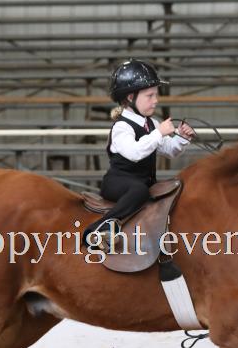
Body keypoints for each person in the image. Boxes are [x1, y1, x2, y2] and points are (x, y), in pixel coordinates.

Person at [83, 59, 194, 249]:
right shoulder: (122, 127)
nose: (155, 100)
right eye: (150, 96)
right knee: (139, 191)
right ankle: (100, 229)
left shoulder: (152, 123)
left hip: (142, 183)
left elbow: (169, 150)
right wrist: (159, 133)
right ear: (130, 97)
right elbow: (134, 152)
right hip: (118, 184)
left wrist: (182, 138)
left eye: (156, 95)